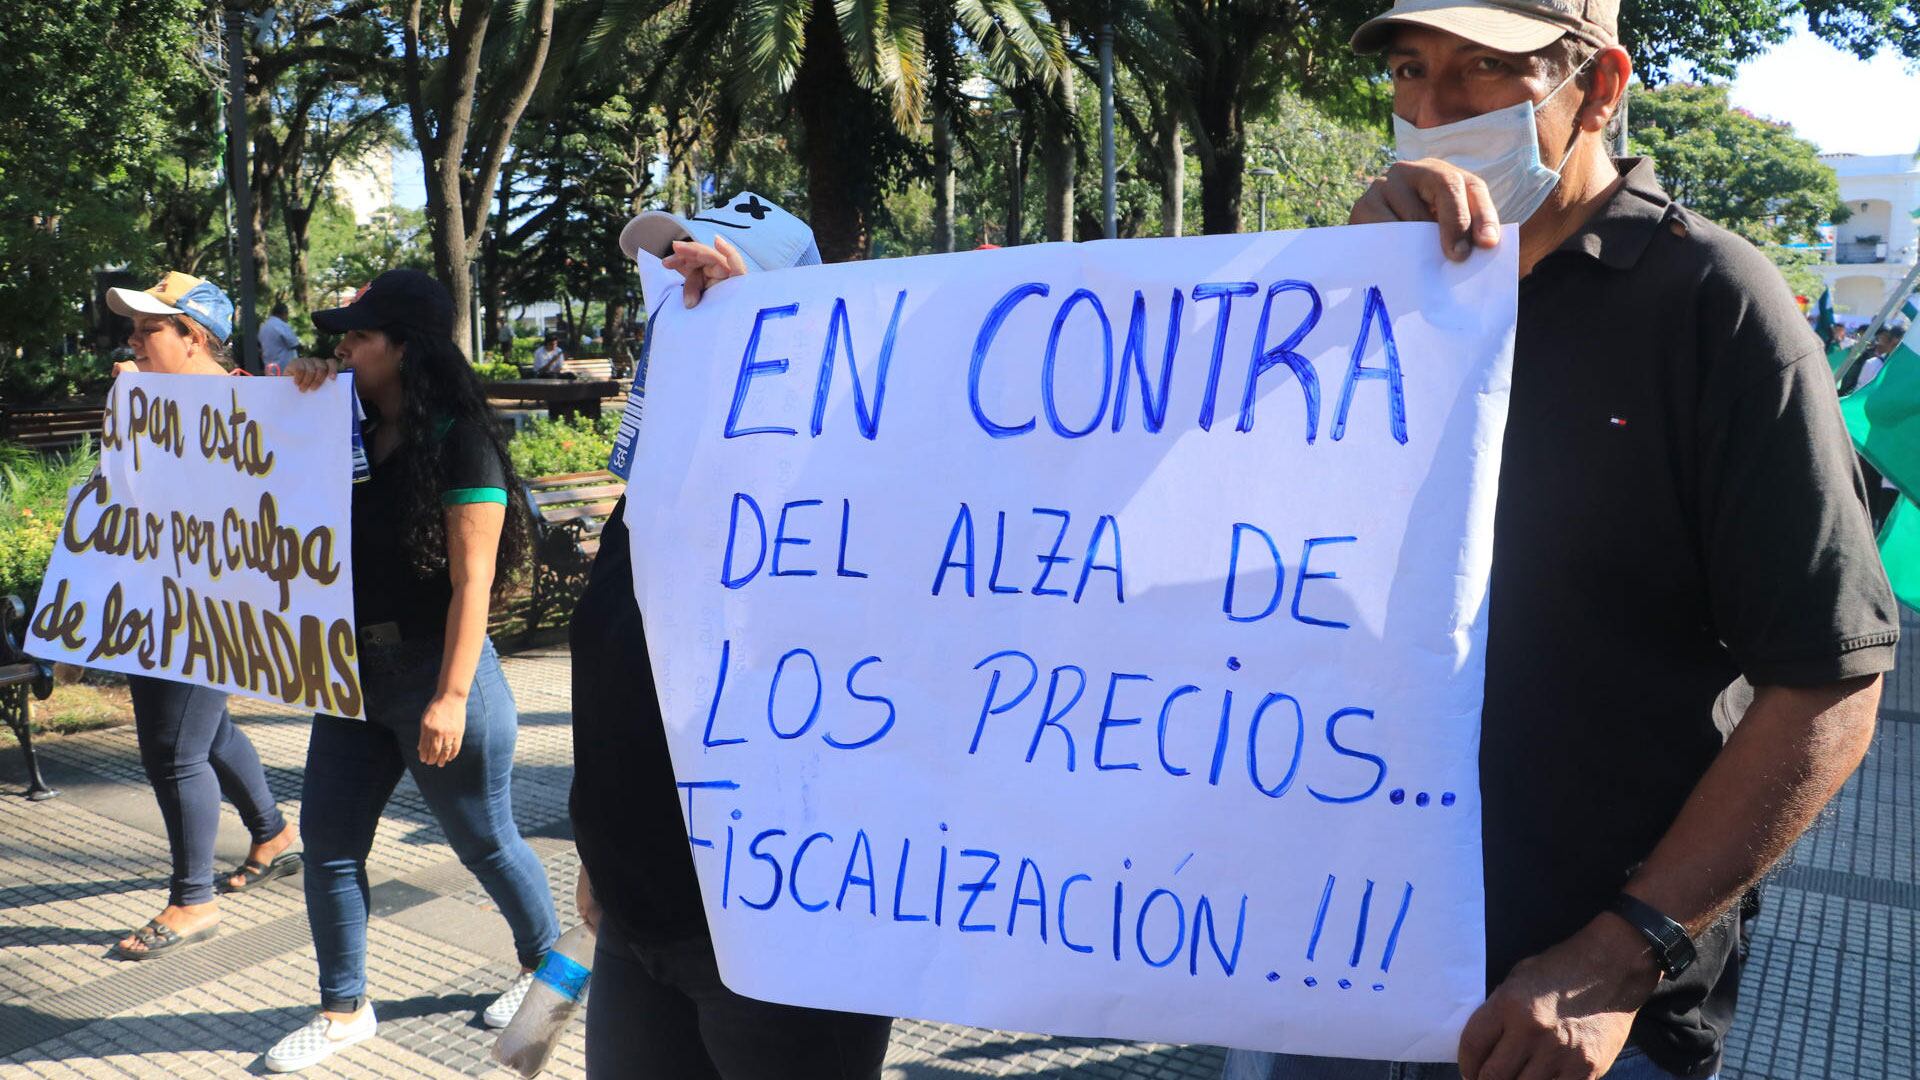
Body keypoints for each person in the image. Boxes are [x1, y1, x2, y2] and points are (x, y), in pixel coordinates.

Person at [1226, 2, 1895, 1080]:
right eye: (1409, 69)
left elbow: (1829, 680)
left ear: (1599, 85)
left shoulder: (1714, 308)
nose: (1433, 112)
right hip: (1330, 969)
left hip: (1571, 1018)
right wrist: (1342, 300)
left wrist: (1620, 956)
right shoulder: (1365, 286)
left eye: (1486, 70)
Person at [569, 194, 893, 1079]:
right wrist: (599, 851)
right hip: (642, 920)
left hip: (786, 936)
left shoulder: (853, 496)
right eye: (669, 273)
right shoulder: (656, 485)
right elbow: (617, 678)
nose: (685, 292)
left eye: (712, 275)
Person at [265, 270, 559, 1072]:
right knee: (328, 842)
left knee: (487, 841)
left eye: (359, 337)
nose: (344, 348)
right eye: (343, 338)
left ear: (406, 345)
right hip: (351, 673)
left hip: (437, 672)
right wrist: (302, 386)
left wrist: (452, 697)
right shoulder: (342, 422)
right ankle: (343, 1009)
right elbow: (252, 446)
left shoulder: (459, 438)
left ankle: (550, 970)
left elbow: (474, 582)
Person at [100, 272, 301, 961]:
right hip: (153, 593)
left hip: (208, 603)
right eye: (133, 327)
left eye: (149, 327)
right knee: (205, 729)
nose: (133, 339)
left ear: (194, 337)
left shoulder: (242, 407)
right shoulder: (147, 398)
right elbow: (127, 500)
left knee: (173, 749)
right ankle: (273, 834)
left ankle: (192, 900)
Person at [260, 301, 301, 375]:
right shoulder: (281, 325)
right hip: (284, 367)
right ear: (284, 313)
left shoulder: (264, 326)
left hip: (269, 368)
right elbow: (294, 344)